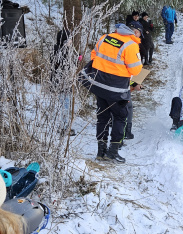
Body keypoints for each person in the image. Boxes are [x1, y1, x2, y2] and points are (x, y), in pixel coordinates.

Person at [80, 24, 142, 163]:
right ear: (131, 34)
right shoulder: (130, 45)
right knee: (120, 117)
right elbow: (136, 70)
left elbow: (94, 56)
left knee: (102, 117)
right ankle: (112, 152)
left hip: (99, 85)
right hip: (117, 89)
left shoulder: (105, 38)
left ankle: (100, 152)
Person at [51, 28, 76, 136]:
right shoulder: (63, 51)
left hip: (58, 81)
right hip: (63, 82)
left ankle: (62, 126)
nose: (71, 41)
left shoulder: (56, 48)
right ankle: (65, 128)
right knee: (65, 105)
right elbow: (67, 65)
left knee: (62, 104)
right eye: (70, 39)